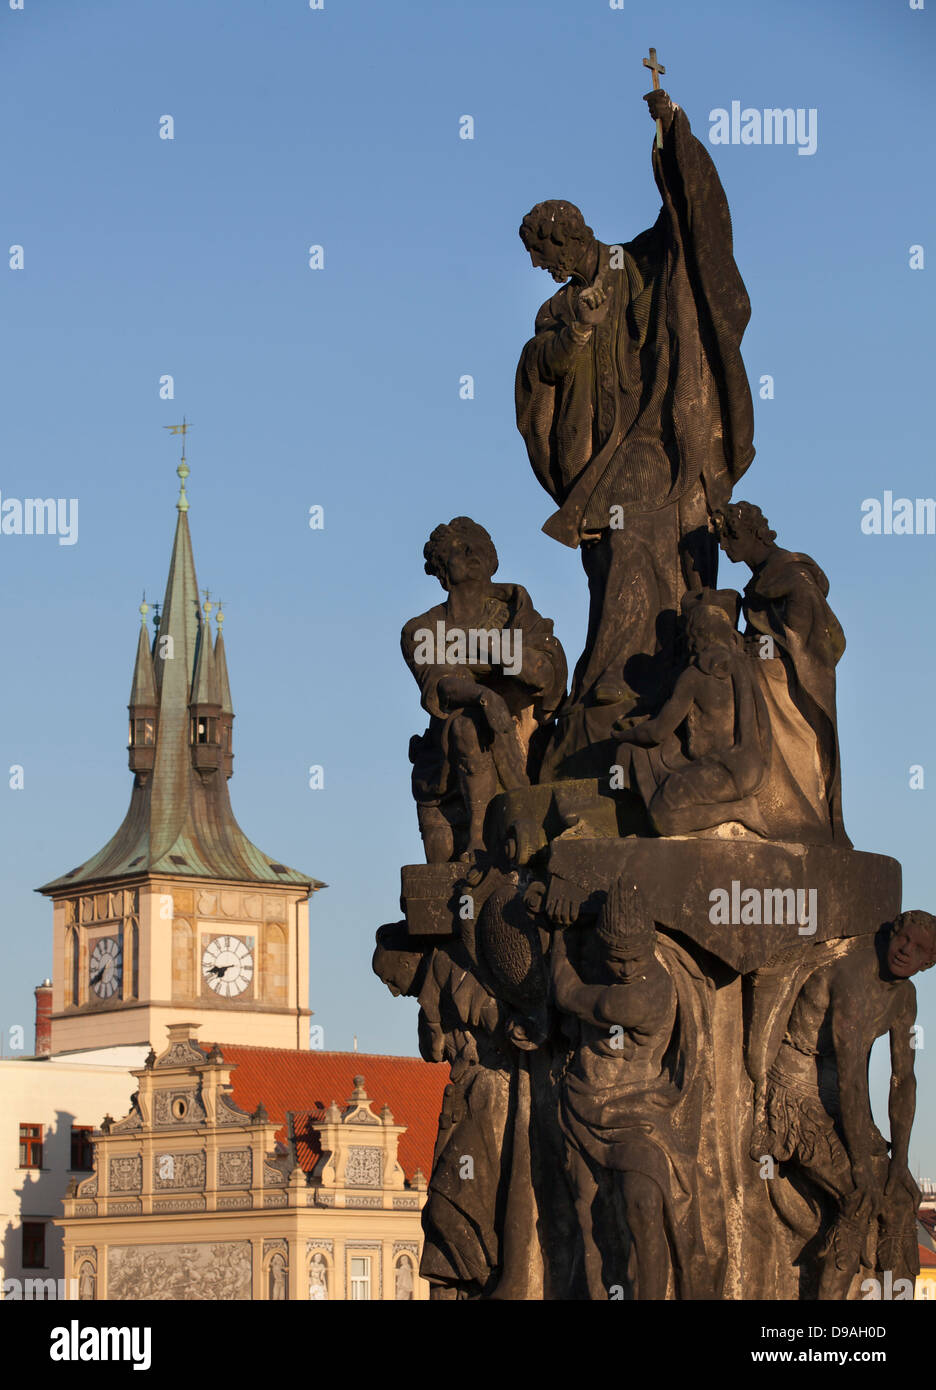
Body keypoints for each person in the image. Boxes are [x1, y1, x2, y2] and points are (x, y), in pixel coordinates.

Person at [516, 89, 755, 777]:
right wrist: (580, 328)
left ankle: (635, 679)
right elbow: (539, 374)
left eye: (547, 253)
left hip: (662, 433)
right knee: (617, 546)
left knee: (654, 538)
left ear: (569, 237)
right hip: (607, 453)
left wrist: (668, 140)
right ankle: (616, 680)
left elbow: (686, 229)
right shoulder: (558, 309)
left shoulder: (634, 263)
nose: (547, 269)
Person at [757, 910, 936, 1298]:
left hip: (836, 1093)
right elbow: (853, 1078)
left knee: (901, 1202)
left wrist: (900, 1163)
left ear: (928, 963)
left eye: (920, 949)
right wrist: (860, 1166)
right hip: (795, 1088)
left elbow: (903, 1079)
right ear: (891, 934)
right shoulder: (854, 979)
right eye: (904, 938)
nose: (906, 950)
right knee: (858, 1196)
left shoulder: (905, 997)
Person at [402, 517, 566, 862]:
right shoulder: (421, 629)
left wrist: (481, 646)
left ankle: (483, 835)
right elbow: (442, 685)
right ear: (442, 570)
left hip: (524, 741)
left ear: (492, 558)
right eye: (458, 550)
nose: (471, 552)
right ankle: (476, 837)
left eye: (478, 546)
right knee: (466, 725)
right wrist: (484, 694)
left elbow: (542, 674)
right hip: (449, 761)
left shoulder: (521, 613)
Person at [715, 500, 849, 844]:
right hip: (765, 664)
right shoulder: (761, 577)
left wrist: (755, 649)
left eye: (729, 540)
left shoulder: (791, 574)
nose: (724, 548)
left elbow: (804, 636)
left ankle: (784, 804)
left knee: (744, 677)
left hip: (787, 674)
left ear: (749, 535)